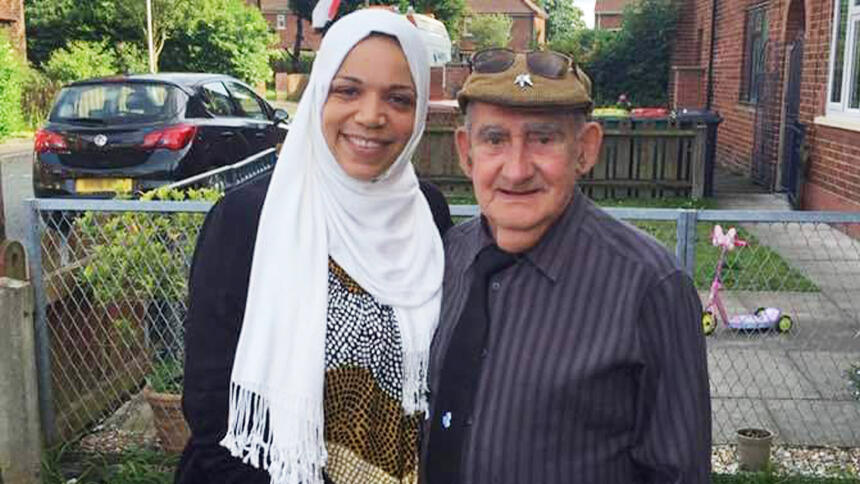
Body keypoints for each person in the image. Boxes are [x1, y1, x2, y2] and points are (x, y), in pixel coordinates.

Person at [175, 10, 451, 484]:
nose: (371, 115)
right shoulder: (249, 220)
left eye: (398, 98)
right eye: (348, 90)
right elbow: (210, 411)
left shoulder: (428, 213)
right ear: (319, 93)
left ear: (419, 110)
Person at [423, 48, 711, 484]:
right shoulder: (444, 258)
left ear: (586, 149)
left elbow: (678, 474)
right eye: (495, 139)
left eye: (543, 138)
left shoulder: (649, 288)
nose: (517, 170)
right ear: (466, 152)